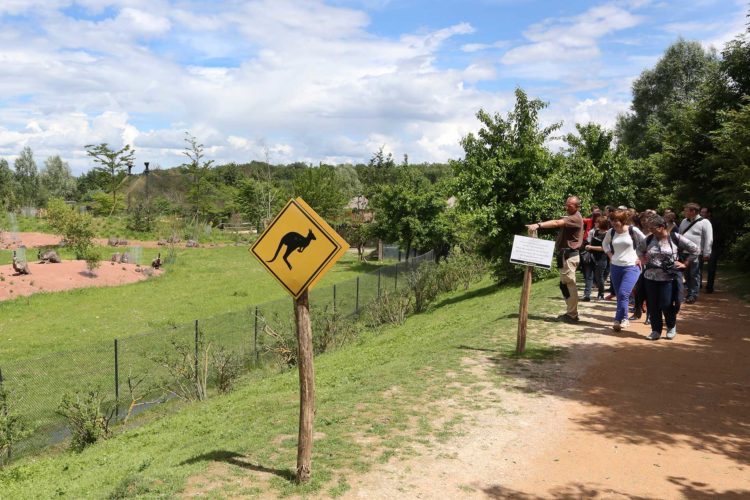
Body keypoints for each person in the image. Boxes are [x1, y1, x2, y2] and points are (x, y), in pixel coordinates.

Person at [638, 215, 699, 340]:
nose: (651, 231)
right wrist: (642, 258)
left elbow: (696, 250)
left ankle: (671, 326)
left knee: (666, 304)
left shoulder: (675, 238)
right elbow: (639, 250)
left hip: (669, 278)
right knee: (653, 305)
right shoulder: (649, 239)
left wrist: (684, 264)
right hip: (650, 277)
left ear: (661, 227)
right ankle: (656, 331)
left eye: (653, 228)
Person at [527, 196, 584, 322]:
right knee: (564, 284)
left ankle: (572, 315)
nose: (567, 207)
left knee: (569, 284)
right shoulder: (571, 217)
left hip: (569, 256)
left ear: (577, 207)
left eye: (570, 205)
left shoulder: (575, 218)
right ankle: (571, 312)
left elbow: (556, 223)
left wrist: (538, 225)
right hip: (565, 256)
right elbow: (559, 220)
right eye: (566, 204)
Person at [602, 209, 645, 331]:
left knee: (623, 293)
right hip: (615, 266)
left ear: (623, 221)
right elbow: (605, 245)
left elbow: (647, 242)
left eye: (617, 220)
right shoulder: (611, 232)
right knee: (620, 295)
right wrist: (610, 255)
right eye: (613, 220)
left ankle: (621, 319)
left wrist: (641, 257)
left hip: (631, 266)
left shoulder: (633, 230)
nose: (615, 223)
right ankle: (619, 320)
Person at [678, 203, 713, 303]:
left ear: (693, 211)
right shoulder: (684, 221)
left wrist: (707, 253)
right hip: (684, 252)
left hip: (696, 253)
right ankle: (689, 292)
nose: (684, 212)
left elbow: (708, 238)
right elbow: (679, 236)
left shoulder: (705, 222)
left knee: (695, 274)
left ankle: (693, 295)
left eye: (686, 210)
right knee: (687, 275)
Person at [583, 215, 610, 300]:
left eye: (598, 222)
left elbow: (605, 249)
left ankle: (601, 293)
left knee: (599, 277)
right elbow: (590, 242)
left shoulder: (608, 234)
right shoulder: (595, 232)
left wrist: (591, 247)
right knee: (589, 276)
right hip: (591, 257)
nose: (595, 223)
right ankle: (587, 294)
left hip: (601, 258)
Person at [700, 207, 722, 293]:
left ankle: (709, 287)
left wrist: (709, 240)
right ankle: (698, 284)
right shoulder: (699, 222)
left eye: (704, 212)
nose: (702, 214)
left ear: (709, 213)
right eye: (701, 212)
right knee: (698, 267)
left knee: (711, 268)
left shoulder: (716, 222)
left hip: (713, 248)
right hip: (701, 247)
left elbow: (720, 236)